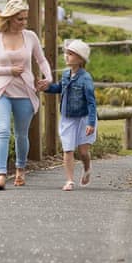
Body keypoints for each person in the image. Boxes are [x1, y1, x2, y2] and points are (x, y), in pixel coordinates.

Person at [0, 0, 53, 190]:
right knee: (3, 131)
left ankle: (20, 170)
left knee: (21, 135)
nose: (23, 22)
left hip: (25, 92)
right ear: (10, 18)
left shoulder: (30, 37)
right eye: (19, 19)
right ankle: (1, 175)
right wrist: (8, 70)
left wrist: (48, 78)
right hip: (1, 92)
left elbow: (42, 60)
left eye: (25, 19)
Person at [38, 39, 97, 191]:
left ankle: (87, 168)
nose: (66, 56)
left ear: (80, 59)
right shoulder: (65, 75)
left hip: (84, 118)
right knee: (68, 149)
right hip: (67, 118)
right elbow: (59, 88)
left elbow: (91, 102)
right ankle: (70, 180)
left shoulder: (86, 78)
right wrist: (47, 87)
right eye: (66, 53)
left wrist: (91, 123)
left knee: (83, 151)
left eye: (70, 54)